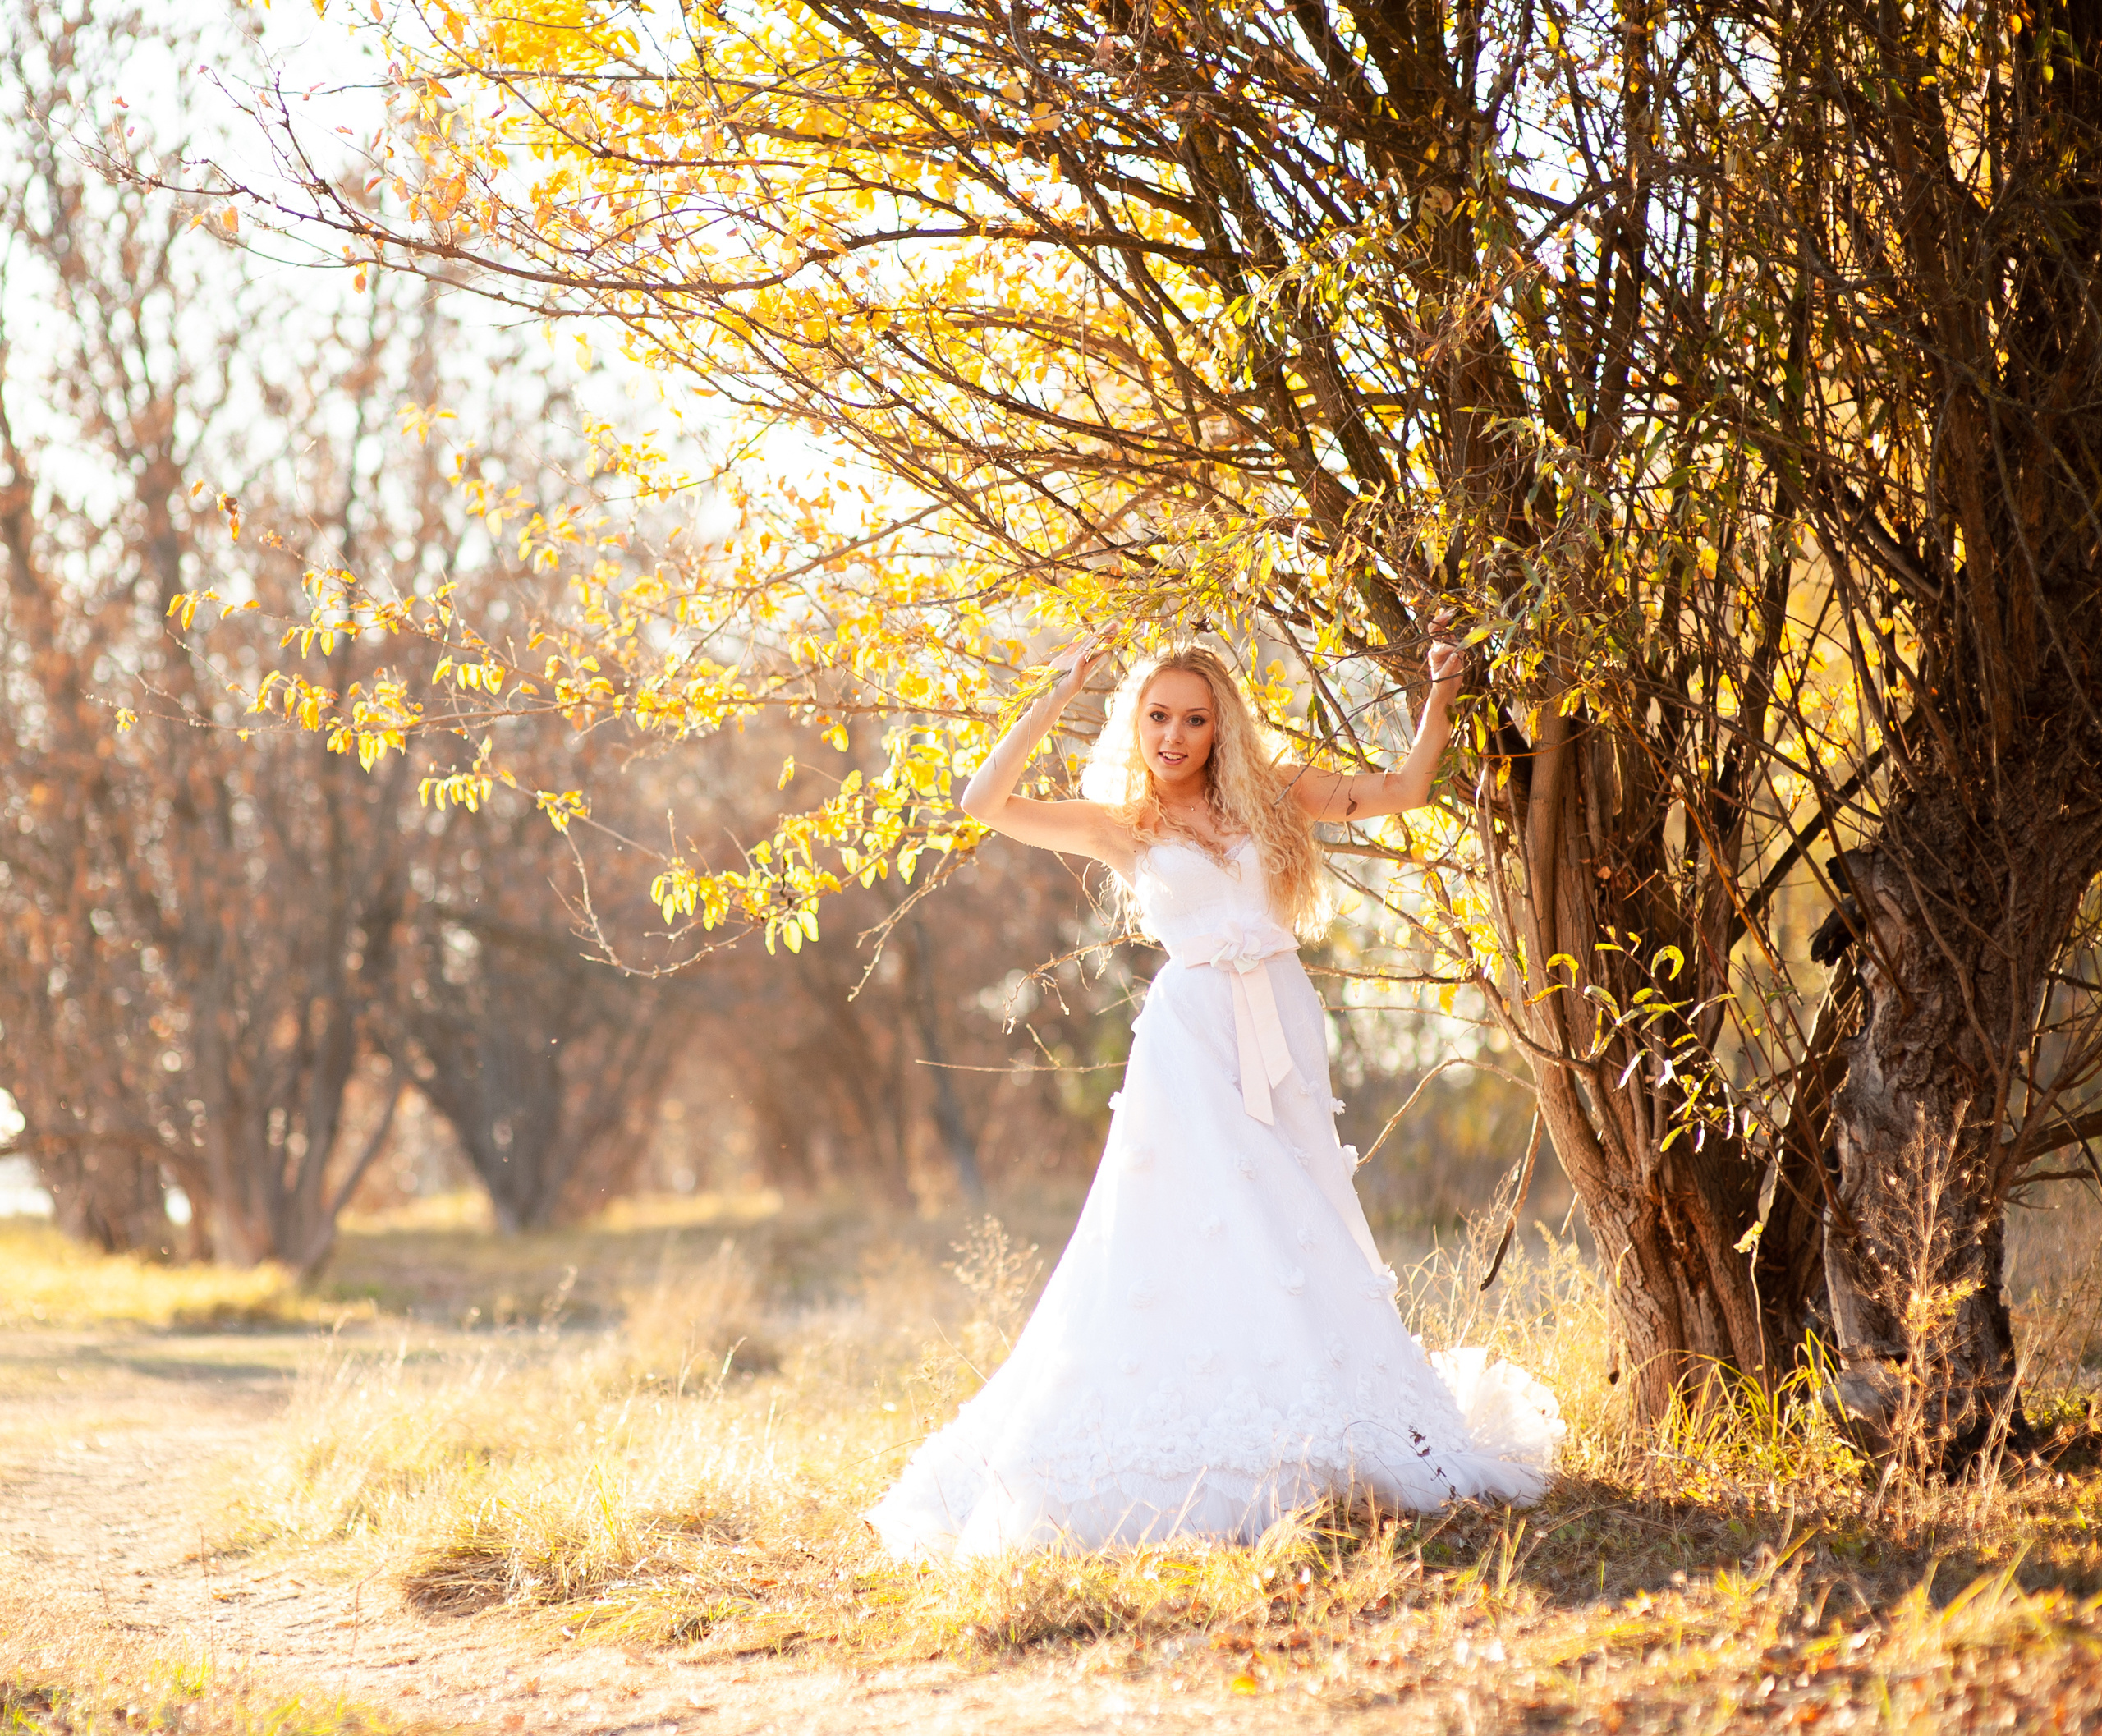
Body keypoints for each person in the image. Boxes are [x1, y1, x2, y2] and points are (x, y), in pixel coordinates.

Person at [865, 633, 1562, 1560]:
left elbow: (1400, 788)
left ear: (1220, 723)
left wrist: (1441, 688)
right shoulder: (1126, 822)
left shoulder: (1273, 790)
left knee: (1300, 1210)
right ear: (1135, 721)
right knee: (1211, 1216)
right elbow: (983, 801)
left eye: (1194, 718)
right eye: (1158, 716)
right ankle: (1216, 1429)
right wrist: (1056, 687)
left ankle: (1330, 1403)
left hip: (1280, 1016)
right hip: (1190, 1037)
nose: (1174, 735)